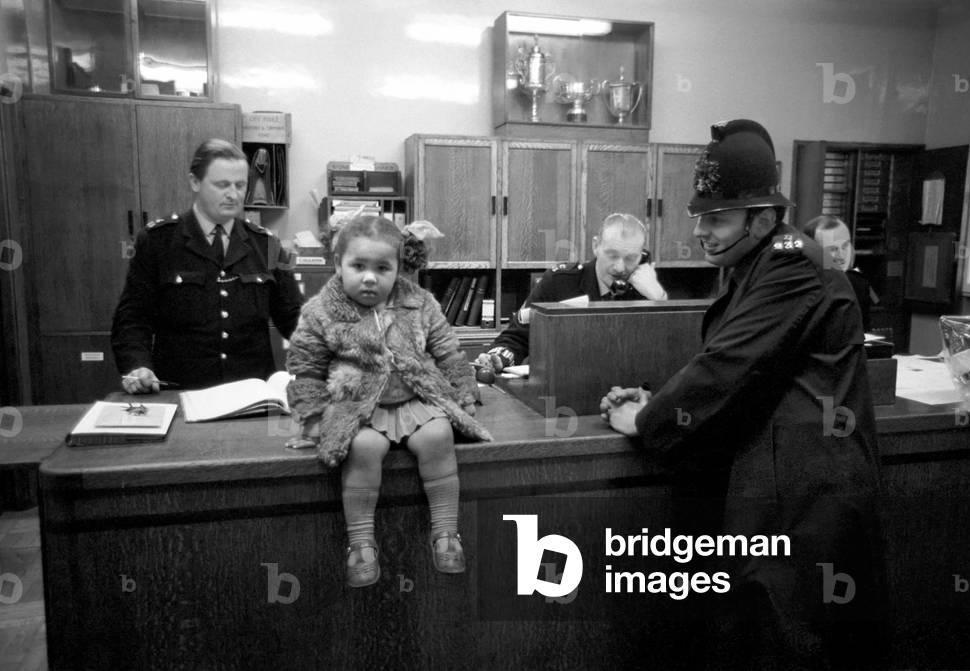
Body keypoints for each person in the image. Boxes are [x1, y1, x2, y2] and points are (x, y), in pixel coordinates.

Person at [600, 120, 885, 669]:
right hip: (787, 475)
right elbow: (748, 363)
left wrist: (644, 420)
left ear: (762, 216)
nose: (702, 232)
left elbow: (728, 367)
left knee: (793, 639)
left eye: (718, 219)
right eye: (700, 219)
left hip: (808, 483)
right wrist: (657, 398)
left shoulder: (790, 259)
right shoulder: (755, 258)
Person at [285, 215, 492, 588]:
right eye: (358, 266)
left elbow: (448, 351)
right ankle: (361, 543)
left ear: (399, 267)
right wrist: (313, 416)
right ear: (338, 265)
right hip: (359, 406)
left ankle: (446, 532)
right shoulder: (320, 311)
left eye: (383, 268)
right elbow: (307, 368)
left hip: (416, 398)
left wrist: (463, 388)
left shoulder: (420, 302)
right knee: (362, 449)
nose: (369, 277)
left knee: (439, 437)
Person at [111, 138, 302, 393]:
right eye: (222, 185)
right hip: (181, 392)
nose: (233, 194)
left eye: (240, 185)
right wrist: (138, 366)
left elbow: (294, 318)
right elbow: (133, 319)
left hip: (252, 395)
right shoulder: (158, 240)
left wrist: (334, 358)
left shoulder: (267, 244)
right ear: (195, 182)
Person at [475, 212, 668, 372]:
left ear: (642, 256)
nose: (620, 267)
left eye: (630, 258)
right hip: (562, 388)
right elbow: (517, 336)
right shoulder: (560, 282)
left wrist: (659, 299)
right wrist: (498, 358)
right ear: (596, 246)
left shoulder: (647, 291)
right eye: (612, 255)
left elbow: (666, 353)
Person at [802, 214, 876, 332]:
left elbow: (863, 332)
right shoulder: (800, 285)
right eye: (832, 249)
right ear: (812, 251)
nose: (842, 255)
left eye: (845, 246)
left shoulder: (857, 284)